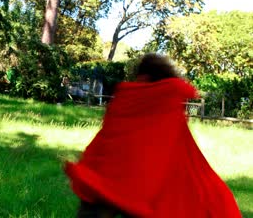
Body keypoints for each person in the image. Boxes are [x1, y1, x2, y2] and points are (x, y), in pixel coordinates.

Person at [65, 53, 241, 218]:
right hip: (143, 186)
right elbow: (177, 147)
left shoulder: (125, 97)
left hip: (103, 178)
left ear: (142, 74)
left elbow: (108, 137)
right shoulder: (168, 98)